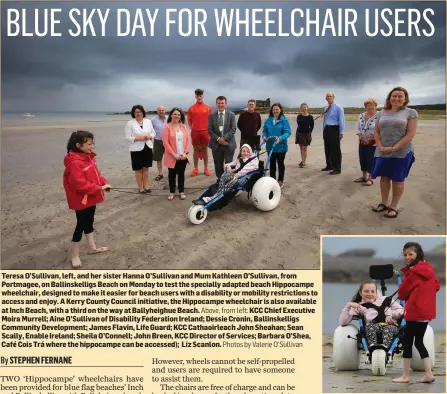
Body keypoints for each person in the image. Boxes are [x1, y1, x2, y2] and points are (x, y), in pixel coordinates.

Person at [63, 130, 111, 269]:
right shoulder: (75, 163)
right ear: (78, 145)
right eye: (89, 144)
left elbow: (97, 175)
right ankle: (74, 256)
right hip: (81, 200)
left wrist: (103, 183)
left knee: (89, 222)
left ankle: (92, 248)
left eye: (92, 143)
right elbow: (79, 184)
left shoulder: (89, 157)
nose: (92, 146)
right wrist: (99, 188)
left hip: (91, 196)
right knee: (81, 225)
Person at [393, 242, 440, 384]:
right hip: (426, 312)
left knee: (407, 343)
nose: (407, 257)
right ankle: (428, 374)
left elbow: (401, 294)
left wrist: (413, 296)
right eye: (405, 254)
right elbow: (437, 286)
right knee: (419, 342)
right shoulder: (429, 269)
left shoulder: (413, 273)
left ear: (418, 254)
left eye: (410, 254)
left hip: (414, 311)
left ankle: (406, 376)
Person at [371, 87, 418, 218]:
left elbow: (411, 134)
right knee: (384, 178)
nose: (396, 98)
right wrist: (380, 145)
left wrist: (395, 147)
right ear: (389, 98)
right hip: (382, 151)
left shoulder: (411, 112)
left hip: (402, 152)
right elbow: (376, 132)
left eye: (400, 96)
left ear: (405, 99)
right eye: (394, 96)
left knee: (398, 179)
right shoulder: (381, 113)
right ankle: (383, 203)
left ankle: (394, 206)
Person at [339, 279, 403, 349]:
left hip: (390, 326)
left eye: (372, 291)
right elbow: (343, 322)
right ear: (360, 293)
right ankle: (373, 347)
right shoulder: (359, 306)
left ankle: (385, 349)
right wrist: (348, 306)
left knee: (388, 329)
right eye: (366, 291)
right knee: (370, 327)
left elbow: (402, 310)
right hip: (372, 328)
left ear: (376, 292)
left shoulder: (387, 300)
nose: (369, 294)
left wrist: (391, 314)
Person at [125, 105, 155, 193]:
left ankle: (146, 186)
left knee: (146, 168)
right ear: (133, 113)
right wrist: (138, 138)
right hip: (136, 149)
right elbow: (127, 137)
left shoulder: (148, 121)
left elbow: (153, 133)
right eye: (136, 112)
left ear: (143, 112)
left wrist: (150, 136)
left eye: (140, 111)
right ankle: (140, 187)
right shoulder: (130, 123)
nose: (138, 113)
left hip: (147, 147)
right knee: (138, 169)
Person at [162, 108, 190, 201]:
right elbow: (165, 143)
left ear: (180, 116)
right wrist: (174, 154)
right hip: (172, 156)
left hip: (183, 156)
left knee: (181, 174)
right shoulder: (167, 127)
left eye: (178, 115)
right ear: (171, 115)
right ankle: (172, 192)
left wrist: (185, 153)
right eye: (175, 114)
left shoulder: (184, 127)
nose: (177, 116)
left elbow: (187, 141)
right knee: (172, 175)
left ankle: (181, 191)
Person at [262, 103, 291, 188]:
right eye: (274, 109)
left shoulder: (284, 120)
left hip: (281, 147)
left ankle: (280, 180)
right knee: (272, 164)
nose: (275, 111)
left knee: (280, 164)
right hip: (270, 146)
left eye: (277, 109)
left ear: (280, 110)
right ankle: (272, 180)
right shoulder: (268, 120)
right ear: (271, 110)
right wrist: (264, 137)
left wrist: (280, 138)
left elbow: (287, 132)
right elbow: (264, 131)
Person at [208, 96, 237, 182]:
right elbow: (209, 130)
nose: (220, 105)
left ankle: (227, 179)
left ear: (225, 104)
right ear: (216, 104)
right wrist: (218, 139)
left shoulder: (231, 115)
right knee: (218, 163)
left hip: (228, 144)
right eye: (219, 103)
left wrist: (224, 138)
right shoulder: (211, 115)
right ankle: (220, 179)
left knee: (228, 163)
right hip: (216, 144)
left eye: (222, 103)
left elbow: (233, 128)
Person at [187, 88, 213, 177]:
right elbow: (189, 120)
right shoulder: (191, 108)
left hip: (205, 132)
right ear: (195, 97)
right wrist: (193, 128)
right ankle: (195, 168)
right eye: (197, 96)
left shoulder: (208, 108)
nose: (199, 97)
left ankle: (206, 168)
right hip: (195, 132)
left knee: (205, 149)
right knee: (196, 150)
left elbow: (211, 120)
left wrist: (208, 130)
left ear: (203, 96)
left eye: (200, 96)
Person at [354, 98, 379, 186]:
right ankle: (363, 176)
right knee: (363, 158)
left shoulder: (379, 115)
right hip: (362, 141)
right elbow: (357, 127)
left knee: (371, 159)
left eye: (372, 105)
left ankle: (370, 178)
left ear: (375, 106)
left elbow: (380, 128)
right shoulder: (361, 115)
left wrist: (371, 139)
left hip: (374, 142)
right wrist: (361, 137)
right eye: (368, 105)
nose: (370, 107)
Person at [322, 92, 345, 175]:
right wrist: (324, 129)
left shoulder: (338, 107)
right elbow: (325, 120)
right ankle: (329, 165)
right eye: (327, 96)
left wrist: (341, 132)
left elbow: (341, 120)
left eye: (330, 96)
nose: (329, 97)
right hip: (327, 129)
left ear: (333, 97)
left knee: (335, 149)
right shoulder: (325, 108)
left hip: (334, 129)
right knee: (327, 148)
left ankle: (337, 168)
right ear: (325, 98)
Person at [151, 105, 168, 181]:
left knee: (170, 158)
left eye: (162, 110)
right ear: (157, 111)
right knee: (158, 158)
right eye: (159, 110)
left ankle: (171, 172)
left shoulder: (169, 118)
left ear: (165, 111)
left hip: (168, 141)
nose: (161, 111)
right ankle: (160, 174)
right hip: (157, 141)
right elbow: (150, 130)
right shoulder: (153, 120)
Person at [295, 103, 314, 168]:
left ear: (307, 108)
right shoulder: (299, 116)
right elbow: (298, 124)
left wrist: (309, 132)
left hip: (306, 134)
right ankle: (302, 160)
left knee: (304, 148)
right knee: (301, 148)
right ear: (301, 108)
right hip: (299, 133)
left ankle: (303, 162)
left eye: (305, 107)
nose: (304, 108)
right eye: (303, 107)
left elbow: (312, 126)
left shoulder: (310, 117)